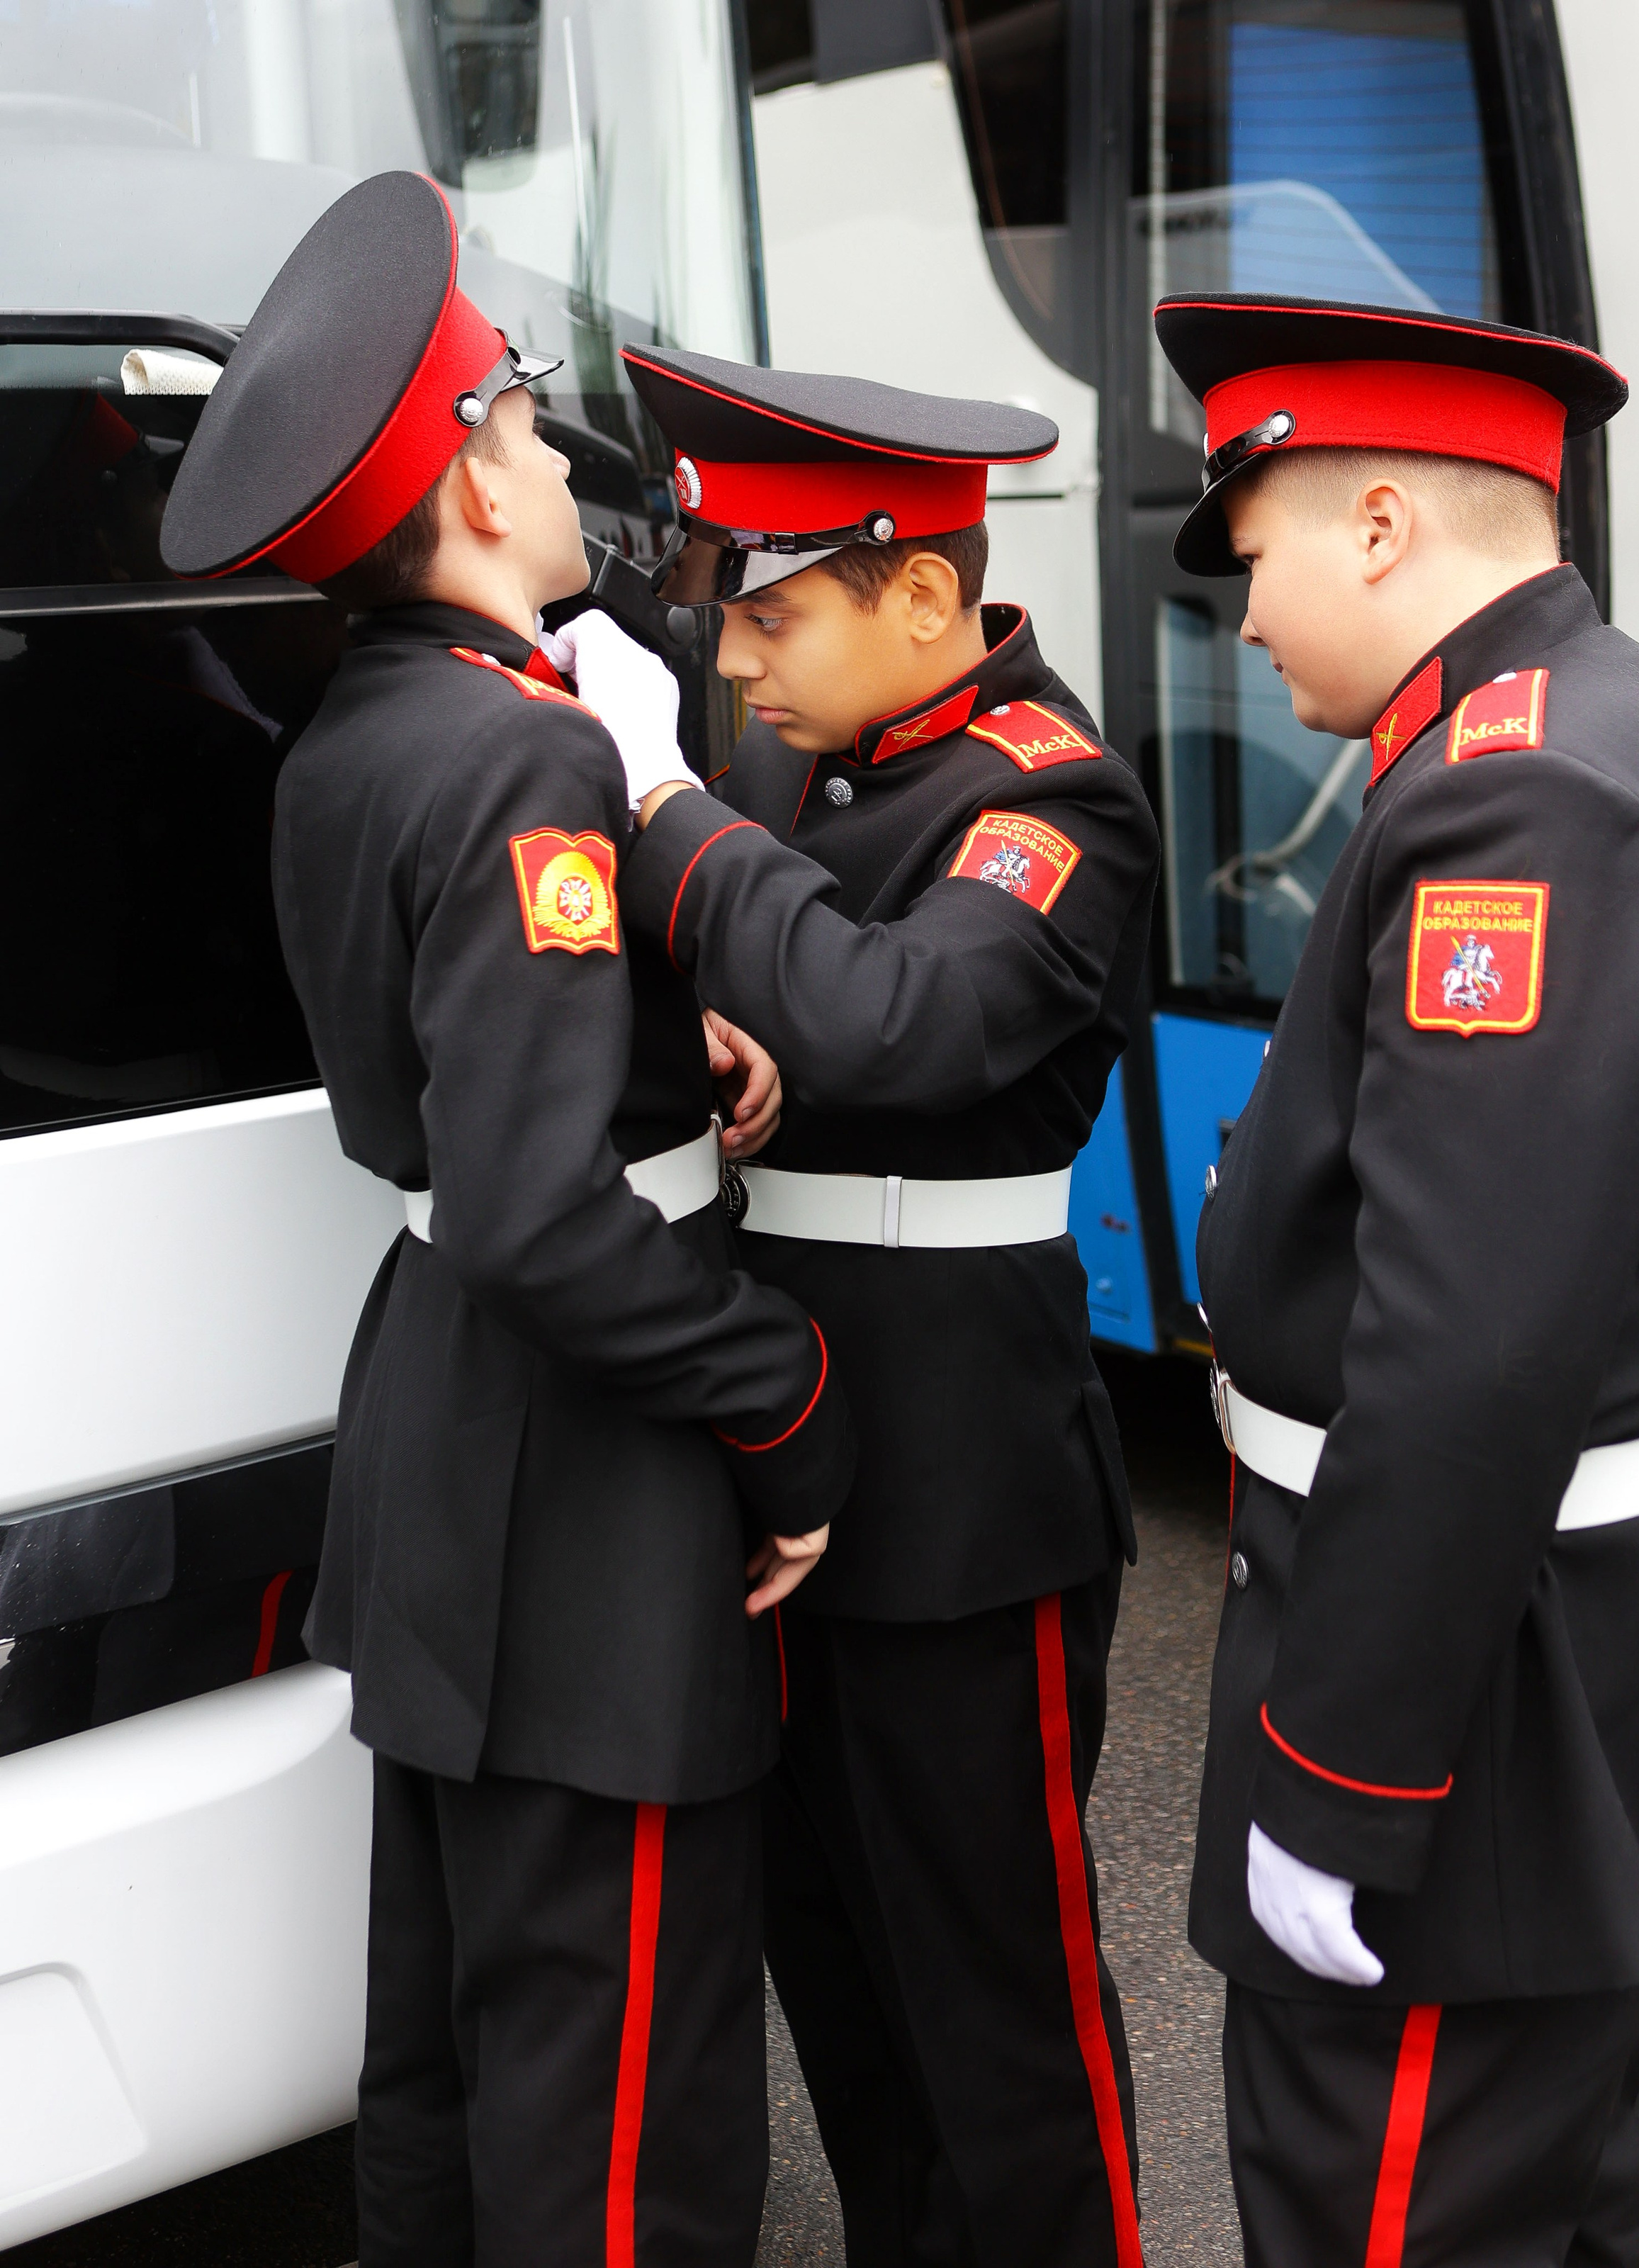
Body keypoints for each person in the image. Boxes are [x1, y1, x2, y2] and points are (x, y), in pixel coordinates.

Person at [161, 171, 856, 2268]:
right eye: (535, 424)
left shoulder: (355, 734)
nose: (561, 464)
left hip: (447, 1436)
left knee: (448, 2082)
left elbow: (462, 1084)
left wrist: (656, 1039)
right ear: (473, 482)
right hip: (593, 1495)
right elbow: (549, 1214)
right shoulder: (531, 760)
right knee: (620, 2121)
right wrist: (783, 1397)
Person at [1156, 292, 1639, 2264]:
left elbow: (1465, 1361)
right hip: (1536, 1649)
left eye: (1255, 556)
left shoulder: (1521, 799)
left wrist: (1340, 1782)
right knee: (1565, 2197)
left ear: (1378, 524)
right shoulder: (1577, 717)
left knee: (1403, 2204)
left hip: (1479, 1693)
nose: (1244, 623)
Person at [551, 346, 1159, 2268]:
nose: (736, 664)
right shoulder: (810, 752)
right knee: (840, 1986)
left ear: (920, 593)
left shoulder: (1054, 797)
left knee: (997, 2017)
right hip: (778, 1445)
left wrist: (665, 806)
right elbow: (781, 981)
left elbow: (899, 1020)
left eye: (775, 615)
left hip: (960, 1479)